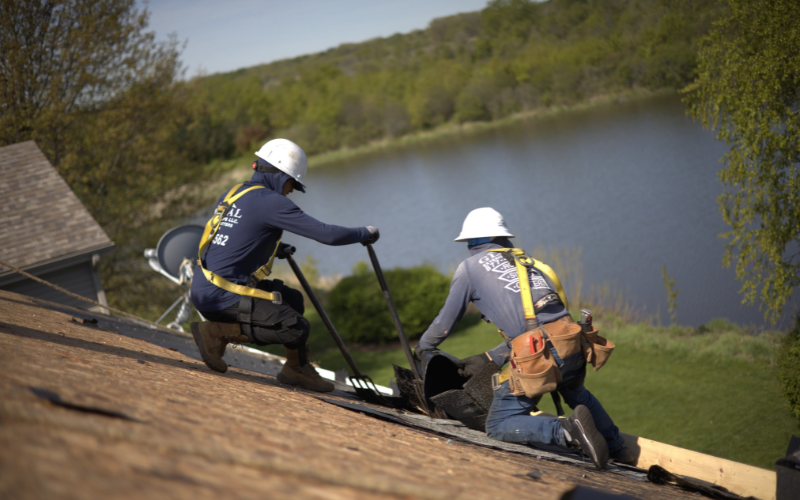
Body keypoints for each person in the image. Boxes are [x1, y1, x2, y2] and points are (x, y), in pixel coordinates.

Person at [415, 207, 632, 469]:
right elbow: (540, 323)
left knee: (498, 424)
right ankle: (618, 447)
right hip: (572, 344)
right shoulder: (527, 262)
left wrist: (424, 347)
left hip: (542, 354)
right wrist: (489, 358)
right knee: (576, 393)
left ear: (471, 241)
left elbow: (444, 324)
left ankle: (567, 431)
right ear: (503, 237)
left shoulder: (469, 268)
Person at [190, 138, 379, 393]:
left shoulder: (236, 193)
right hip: (223, 295)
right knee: (295, 327)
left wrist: (274, 248)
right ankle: (216, 332)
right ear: (280, 176)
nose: (291, 190)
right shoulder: (271, 202)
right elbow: (327, 235)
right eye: (292, 183)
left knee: (292, 299)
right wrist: (364, 232)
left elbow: (234, 236)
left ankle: (296, 369)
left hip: (205, 287)